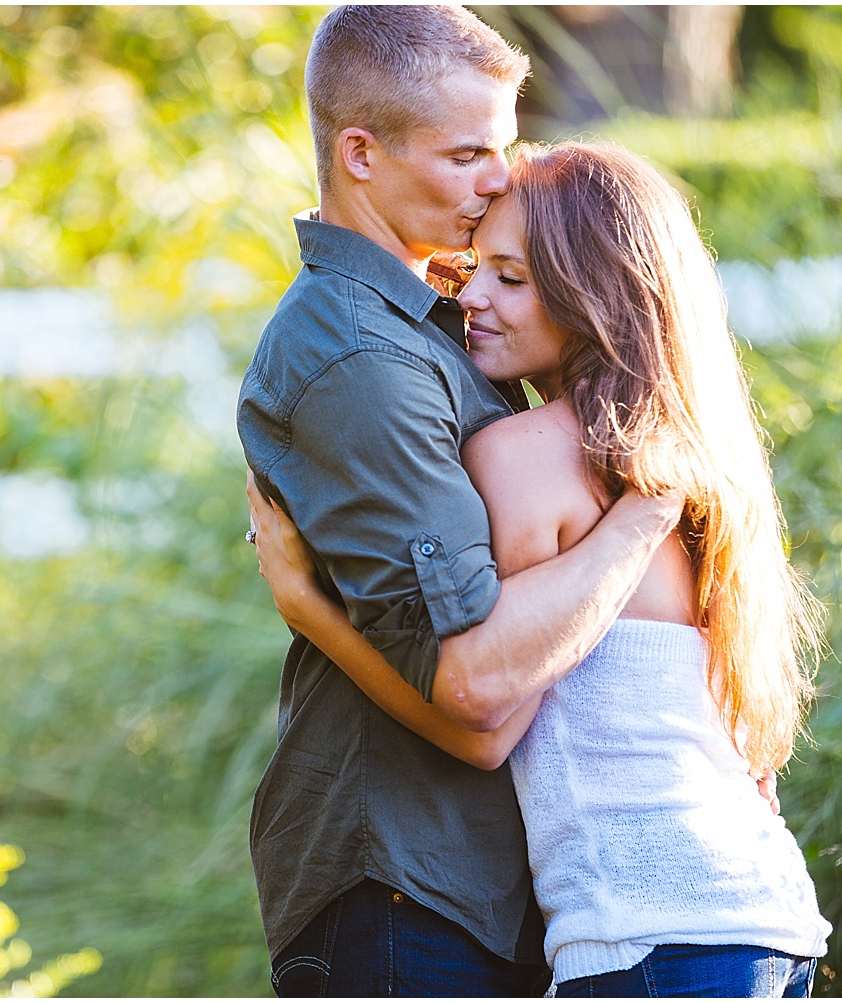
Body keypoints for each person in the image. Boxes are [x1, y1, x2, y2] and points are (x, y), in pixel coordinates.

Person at [247, 140, 833, 997]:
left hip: (645, 933)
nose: (470, 299)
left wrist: (308, 604)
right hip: (765, 915)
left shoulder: (522, 455)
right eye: (476, 269)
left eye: (511, 279)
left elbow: (483, 710)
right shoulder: (692, 472)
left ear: (596, 298)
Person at [235, 6, 688, 997]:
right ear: (360, 153)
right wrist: (643, 517)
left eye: (506, 145)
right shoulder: (363, 359)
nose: (499, 178)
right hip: (404, 890)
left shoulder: (443, 320)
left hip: (474, 894)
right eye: (467, 152)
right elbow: (478, 702)